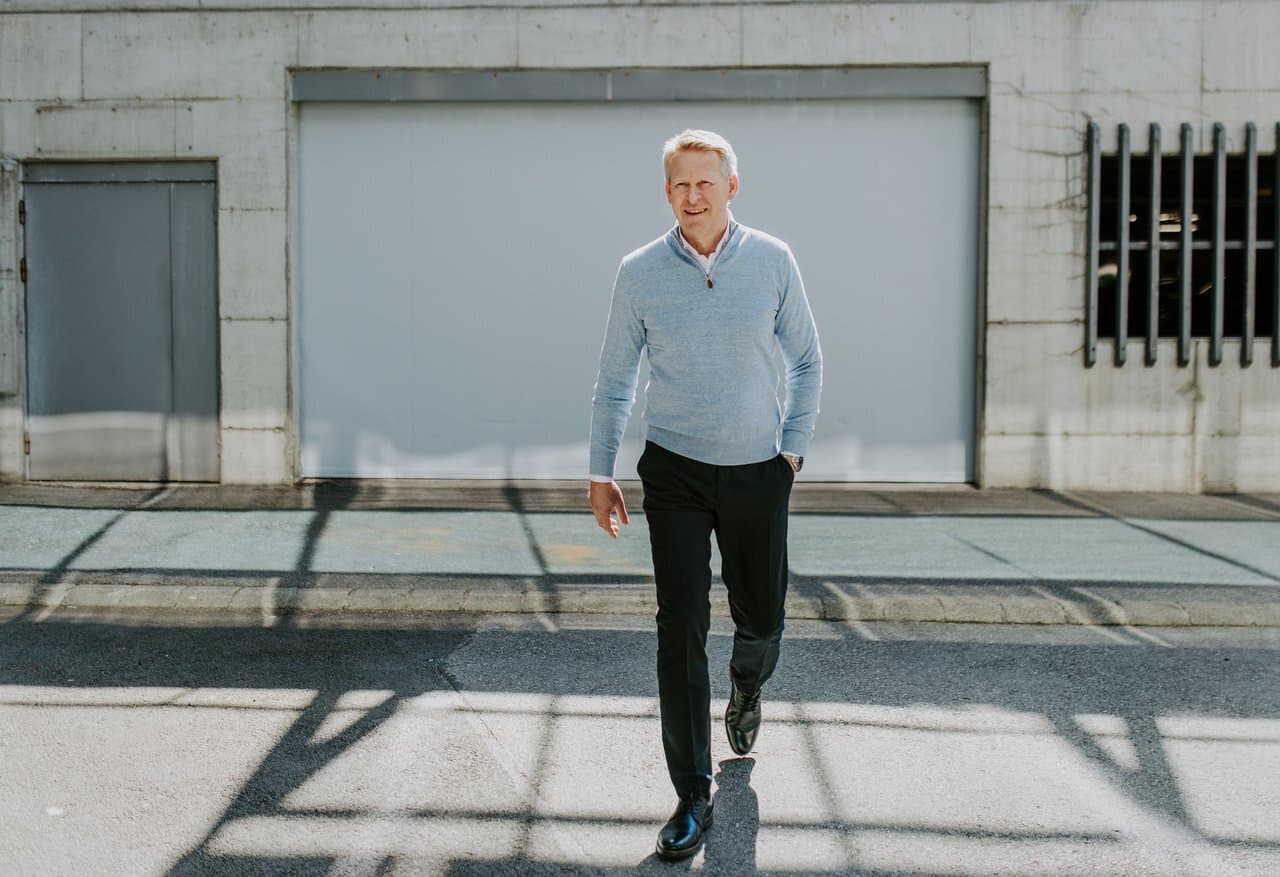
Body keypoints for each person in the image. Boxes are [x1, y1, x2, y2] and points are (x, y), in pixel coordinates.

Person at [587, 129, 822, 860]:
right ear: (667, 192)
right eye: (680, 185)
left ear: (732, 186)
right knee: (679, 626)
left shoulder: (774, 261)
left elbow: (808, 361)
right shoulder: (639, 272)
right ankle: (692, 793)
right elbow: (617, 379)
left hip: (758, 469)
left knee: (761, 618)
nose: (693, 196)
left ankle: (747, 688)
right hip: (677, 471)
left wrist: (789, 453)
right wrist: (601, 472)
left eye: (705, 183)